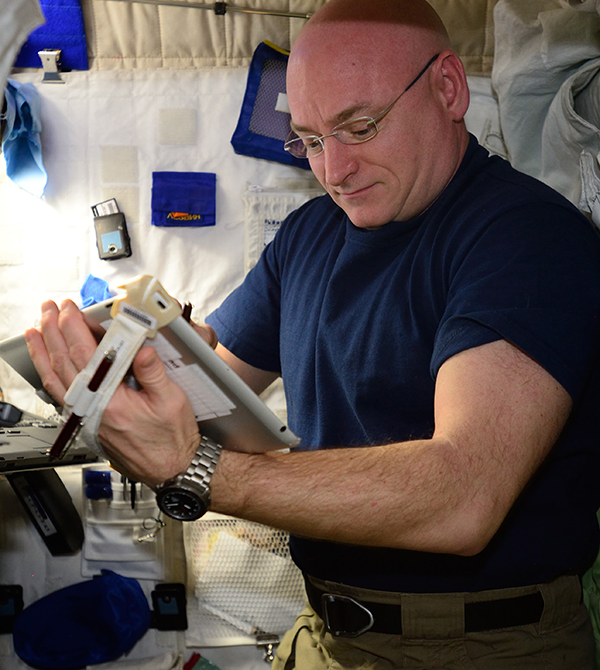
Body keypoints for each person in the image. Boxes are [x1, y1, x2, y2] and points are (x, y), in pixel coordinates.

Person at [25, 0, 600, 667]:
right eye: (311, 140)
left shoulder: (526, 239)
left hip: (481, 645)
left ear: (448, 87)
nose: (333, 170)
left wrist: (193, 469)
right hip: (325, 631)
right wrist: (136, 369)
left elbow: (461, 499)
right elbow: (215, 392)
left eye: (359, 127)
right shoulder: (308, 236)